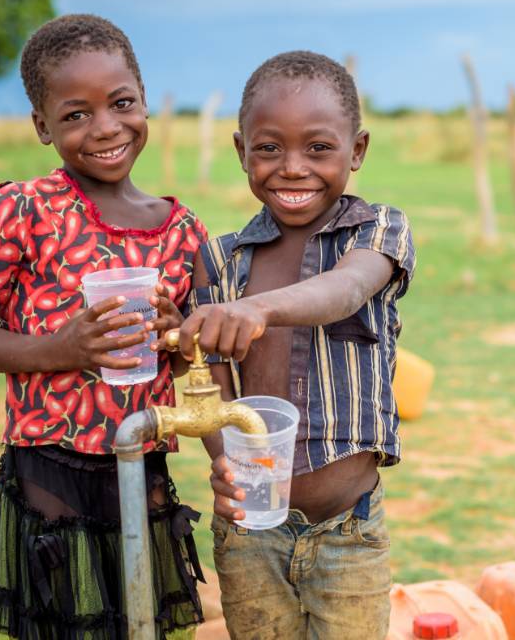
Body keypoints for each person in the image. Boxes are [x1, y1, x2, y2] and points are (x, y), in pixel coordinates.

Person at [0, 14, 206, 640]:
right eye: (76, 115)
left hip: (142, 465)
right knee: (62, 624)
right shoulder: (19, 211)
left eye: (121, 104)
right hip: (48, 474)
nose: (106, 128)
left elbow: (194, 355)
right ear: (42, 127)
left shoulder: (181, 231)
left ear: (143, 99)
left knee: (146, 624)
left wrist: (176, 332)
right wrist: (60, 348)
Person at [173, 51, 415, 639]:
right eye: (269, 148)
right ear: (241, 152)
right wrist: (223, 466)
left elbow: (345, 290)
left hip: (347, 530)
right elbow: (215, 398)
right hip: (249, 532)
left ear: (356, 151)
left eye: (318, 148)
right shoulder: (220, 261)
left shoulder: (377, 231)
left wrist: (254, 309)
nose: (292, 168)